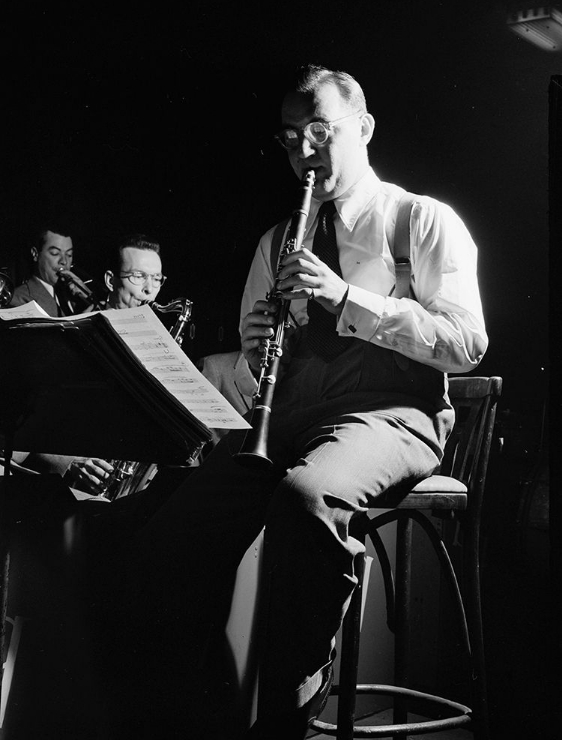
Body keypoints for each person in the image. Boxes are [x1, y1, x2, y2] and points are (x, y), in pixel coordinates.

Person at [103, 65, 488, 740]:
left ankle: (290, 708)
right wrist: (257, 347)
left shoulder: (421, 221)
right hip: (293, 421)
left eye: (319, 132)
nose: (303, 153)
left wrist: (346, 298)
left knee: (307, 498)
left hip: (393, 417)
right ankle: (200, 708)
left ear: (362, 129)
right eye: (288, 139)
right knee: (173, 523)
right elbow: (263, 372)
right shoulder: (277, 240)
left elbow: (466, 343)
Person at [6, 234, 167, 493]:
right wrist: (67, 462)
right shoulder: (73, 338)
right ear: (110, 281)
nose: (150, 289)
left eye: (156, 278)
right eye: (138, 276)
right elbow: (23, 427)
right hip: (67, 493)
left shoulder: (161, 349)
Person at [9, 225, 90, 316]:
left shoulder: (74, 295)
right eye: (55, 253)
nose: (64, 261)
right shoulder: (18, 299)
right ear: (35, 254)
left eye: (69, 255)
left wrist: (88, 298)